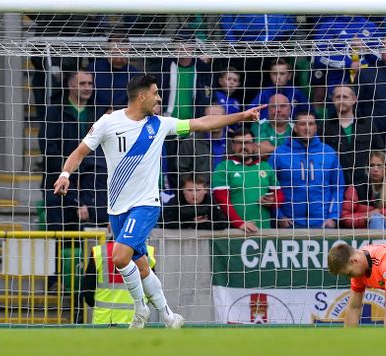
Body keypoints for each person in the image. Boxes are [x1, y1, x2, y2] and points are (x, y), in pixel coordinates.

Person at [53, 74, 264, 328]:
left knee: (119, 258)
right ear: (142, 96)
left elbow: (202, 122)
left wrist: (239, 116)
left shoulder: (160, 124)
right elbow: (79, 152)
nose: (159, 97)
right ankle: (168, 316)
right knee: (141, 267)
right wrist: (65, 174)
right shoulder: (108, 122)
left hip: (146, 204)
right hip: (117, 206)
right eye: (155, 93)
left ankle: (140, 308)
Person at [42, 70, 107, 229]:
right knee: (59, 239)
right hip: (58, 185)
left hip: (90, 186)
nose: (87, 88)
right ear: (70, 85)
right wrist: (67, 172)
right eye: (82, 83)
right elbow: (49, 149)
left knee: (88, 243)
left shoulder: (99, 113)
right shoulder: (54, 112)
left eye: (90, 84)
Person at [272, 109, 345, 228]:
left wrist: (333, 217)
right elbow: (270, 188)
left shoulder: (328, 153)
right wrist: (279, 216)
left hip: (322, 224)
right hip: (289, 225)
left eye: (311, 124)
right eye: (302, 124)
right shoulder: (280, 154)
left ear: (316, 127)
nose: (307, 128)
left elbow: (337, 188)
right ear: (295, 127)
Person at [211, 128, 280, 232]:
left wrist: (273, 201)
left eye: (247, 143)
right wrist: (239, 223)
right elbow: (221, 199)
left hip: (264, 229)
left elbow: (279, 195)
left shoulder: (265, 166)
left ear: (254, 145)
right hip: (235, 231)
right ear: (233, 146)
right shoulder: (223, 167)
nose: (243, 147)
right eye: (239, 143)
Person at [321, 84, 384, 187]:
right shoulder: (324, 128)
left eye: (345, 97)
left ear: (354, 99)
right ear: (333, 100)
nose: (341, 100)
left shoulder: (367, 125)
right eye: (338, 97)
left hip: (366, 184)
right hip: (335, 184)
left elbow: (380, 152)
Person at [341, 150, 386, 228]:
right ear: (367, 168)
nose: (375, 169)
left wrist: (382, 212)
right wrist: (367, 216)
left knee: (377, 218)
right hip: (362, 234)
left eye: (379, 165)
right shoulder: (356, 188)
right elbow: (345, 218)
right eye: (372, 165)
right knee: (376, 219)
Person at [89, 36, 140, 110]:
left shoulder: (135, 74)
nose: (119, 59)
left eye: (122, 53)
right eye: (116, 53)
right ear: (108, 50)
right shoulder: (93, 69)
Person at [161, 174, 228, 230]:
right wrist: (191, 222)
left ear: (205, 190)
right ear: (183, 190)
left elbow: (223, 223)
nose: (194, 194)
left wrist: (199, 224)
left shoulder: (210, 201)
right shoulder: (175, 201)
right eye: (190, 190)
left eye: (198, 190)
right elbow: (163, 222)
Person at [253, 93, 293, 158]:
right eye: (274, 106)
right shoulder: (259, 125)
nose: (278, 110)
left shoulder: (296, 127)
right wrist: (288, 150)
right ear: (268, 110)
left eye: (282, 106)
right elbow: (259, 151)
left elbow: (301, 151)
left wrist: (271, 149)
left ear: (290, 109)